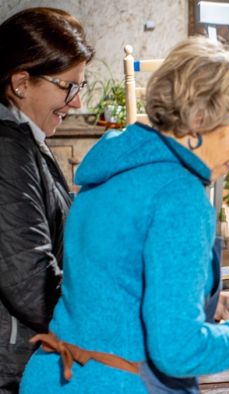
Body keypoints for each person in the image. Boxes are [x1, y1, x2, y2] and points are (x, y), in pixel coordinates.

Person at [20, 36, 229, 393]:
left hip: (55, 376)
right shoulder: (179, 195)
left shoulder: (112, 169)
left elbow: (114, 287)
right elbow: (178, 352)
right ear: (201, 118)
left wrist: (211, 301)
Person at [0, 8, 94, 392]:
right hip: (14, 369)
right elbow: (30, 284)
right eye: (67, 86)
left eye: (79, 87)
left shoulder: (25, 140)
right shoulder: (6, 149)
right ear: (21, 82)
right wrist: (109, 319)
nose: (75, 103)